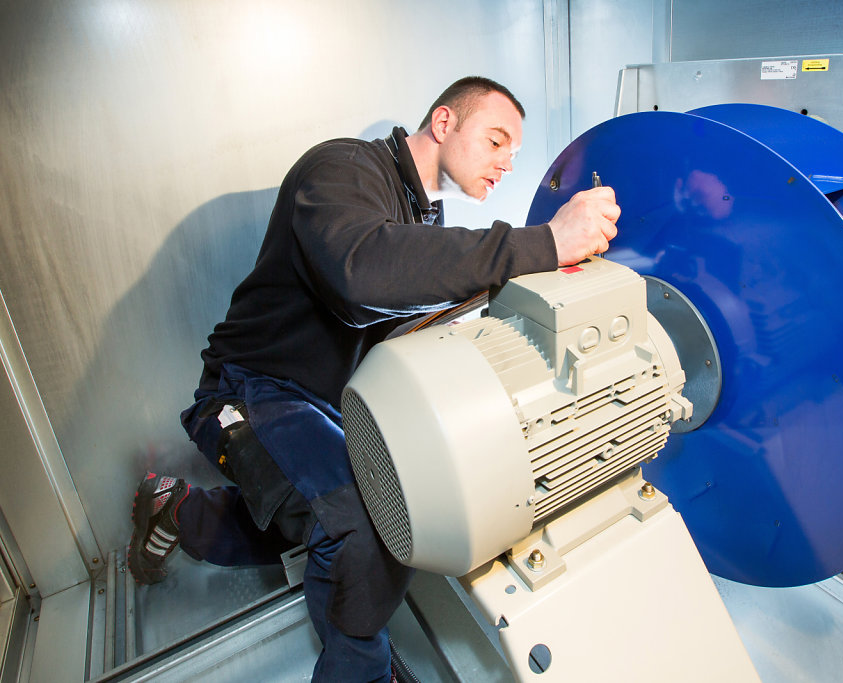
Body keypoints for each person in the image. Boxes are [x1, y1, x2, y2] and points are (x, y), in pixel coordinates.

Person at [127, 76, 620, 682]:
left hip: (329, 405)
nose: (506, 163)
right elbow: (364, 274)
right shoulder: (341, 169)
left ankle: (175, 511)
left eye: (514, 153)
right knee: (361, 522)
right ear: (444, 123)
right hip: (251, 389)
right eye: (496, 141)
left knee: (323, 512)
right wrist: (543, 242)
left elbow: (410, 319)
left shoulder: (424, 219)